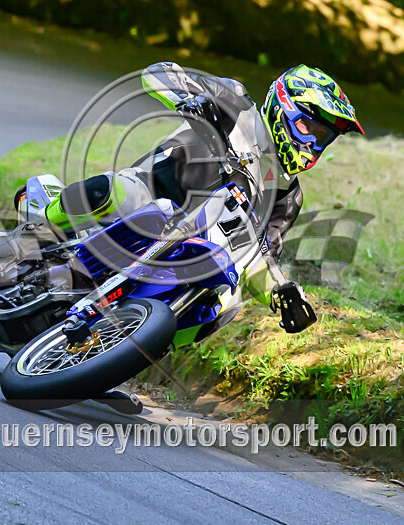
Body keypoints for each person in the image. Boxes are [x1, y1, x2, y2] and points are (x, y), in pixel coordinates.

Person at [40, 62, 364, 332]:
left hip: (192, 248)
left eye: (324, 137)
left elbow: (258, 254)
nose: (314, 142)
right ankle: (37, 228)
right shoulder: (237, 104)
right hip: (150, 193)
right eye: (311, 128)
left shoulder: (287, 196)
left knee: (223, 303)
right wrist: (184, 98)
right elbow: (159, 73)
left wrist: (281, 294)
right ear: (285, 107)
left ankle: (106, 363)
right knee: (108, 193)